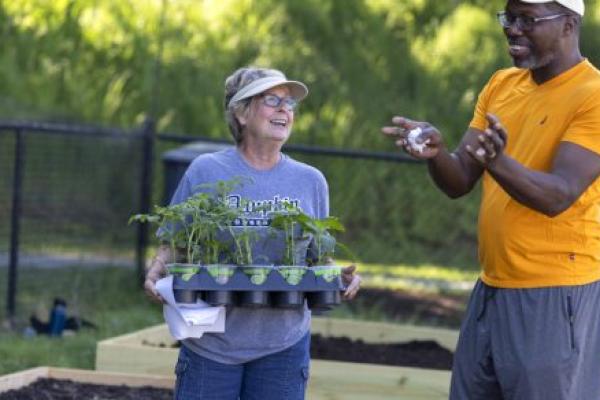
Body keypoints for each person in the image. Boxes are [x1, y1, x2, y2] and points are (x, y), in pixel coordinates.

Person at [383, 0, 600, 398]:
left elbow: (559, 194)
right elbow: (460, 178)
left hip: (552, 292)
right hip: (491, 287)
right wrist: (437, 154)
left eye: (527, 19)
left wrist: (498, 162)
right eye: (509, 17)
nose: (513, 29)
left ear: (569, 24)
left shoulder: (593, 95)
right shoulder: (502, 84)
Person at [144, 66, 361, 400]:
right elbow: (176, 241)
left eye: (289, 104)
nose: (284, 110)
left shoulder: (310, 181)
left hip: (283, 346)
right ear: (241, 114)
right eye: (271, 100)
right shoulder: (207, 170)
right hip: (211, 345)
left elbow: (317, 258)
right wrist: (158, 266)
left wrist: (338, 276)